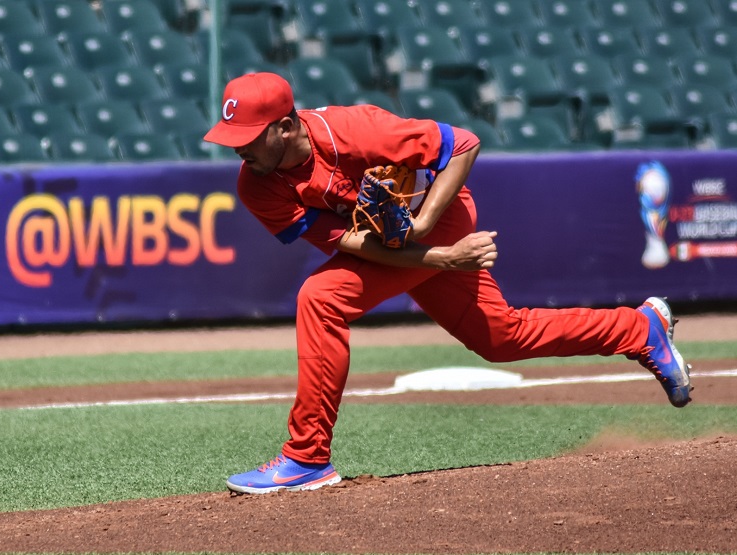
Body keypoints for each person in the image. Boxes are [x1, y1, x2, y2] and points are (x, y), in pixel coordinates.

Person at [203, 72, 692, 495]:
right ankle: (639, 329)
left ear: (286, 127)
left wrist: (423, 231)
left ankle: (307, 457)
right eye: (232, 136)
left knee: (320, 297)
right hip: (410, 246)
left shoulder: (352, 130)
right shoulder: (257, 184)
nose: (239, 148)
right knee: (501, 338)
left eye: (248, 135)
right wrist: (441, 260)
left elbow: (463, 143)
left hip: (441, 217)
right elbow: (348, 243)